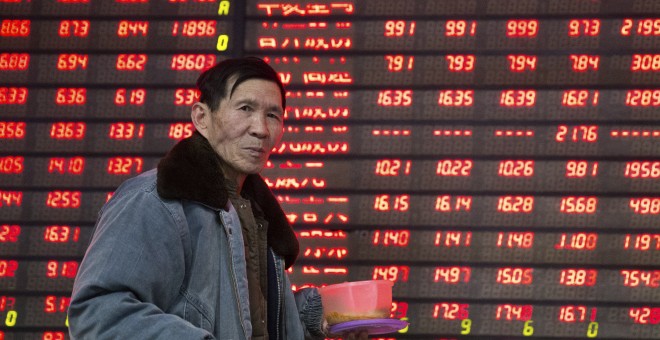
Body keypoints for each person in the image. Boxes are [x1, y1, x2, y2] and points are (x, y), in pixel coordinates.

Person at [68, 57, 366, 339]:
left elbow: (250, 322)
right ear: (201, 117)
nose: (261, 129)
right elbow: (98, 314)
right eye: (245, 109)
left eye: (272, 115)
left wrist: (319, 315)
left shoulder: (255, 211)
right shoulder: (155, 200)